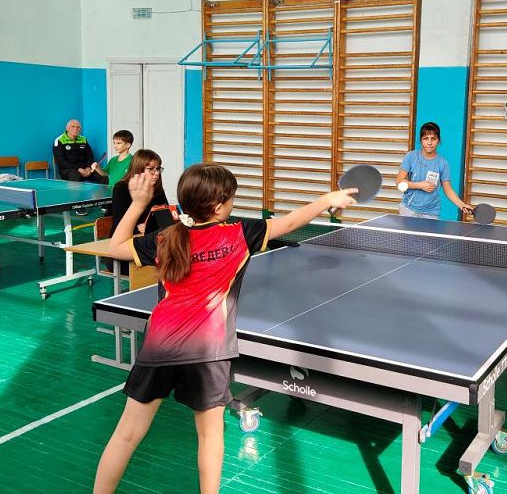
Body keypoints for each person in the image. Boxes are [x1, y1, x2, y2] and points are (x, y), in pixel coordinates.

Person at [92, 163, 357, 494]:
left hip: (159, 345)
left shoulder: (165, 238)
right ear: (219, 206)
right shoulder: (239, 234)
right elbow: (290, 222)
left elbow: (115, 247)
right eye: (231, 197)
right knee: (210, 436)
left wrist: (137, 203)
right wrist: (327, 200)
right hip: (209, 352)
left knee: (127, 434)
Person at [396, 121, 473, 219]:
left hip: (431, 212)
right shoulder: (411, 156)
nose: (429, 142)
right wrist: (420, 185)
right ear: (421, 140)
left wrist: (462, 205)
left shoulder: (443, 163)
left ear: (438, 141)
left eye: (433, 138)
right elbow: (399, 181)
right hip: (408, 209)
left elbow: (448, 189)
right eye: (425, 138)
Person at [52, 119, 107, 183]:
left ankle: (106, 190)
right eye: (73, 126)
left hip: (85, 169)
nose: (75, 129)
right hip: (67, 170)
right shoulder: (59, 141)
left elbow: (90, 156)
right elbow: (60, 161)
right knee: (75, 176)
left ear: (80, 129)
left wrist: (88, 168)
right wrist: (78, 169)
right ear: (67, 128)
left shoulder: (83, 139)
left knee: (102, 176)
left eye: (78, 127)